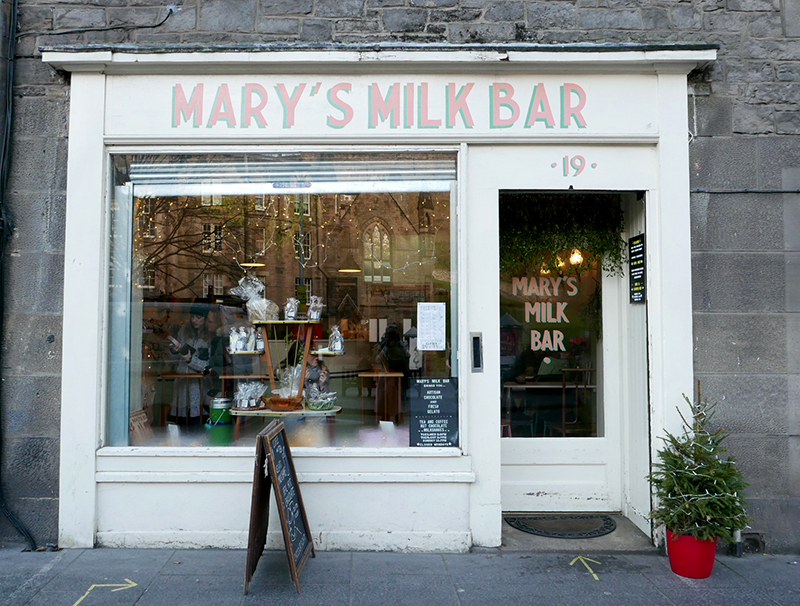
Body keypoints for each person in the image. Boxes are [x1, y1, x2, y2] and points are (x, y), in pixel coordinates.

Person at [169, 302, 213, 426]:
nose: (194, 320)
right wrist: (174, 351)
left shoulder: (210, 335)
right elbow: (173, 360)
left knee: (198, 419)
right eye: (192, 317)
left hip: (200, 384)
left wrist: (190, 360)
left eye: (198, 318)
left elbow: (208, 364)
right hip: (182, 381)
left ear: (205, 319)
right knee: (181, 419)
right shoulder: (184, 331)